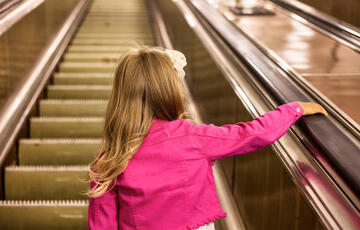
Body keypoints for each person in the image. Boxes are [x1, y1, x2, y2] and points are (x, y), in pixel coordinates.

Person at [86, 46, 327, 230]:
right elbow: (252, 133)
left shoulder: (110, 158)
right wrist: (293, 109)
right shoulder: (191, 136)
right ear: (170, 90)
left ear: (120, 96)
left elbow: (102, 224)